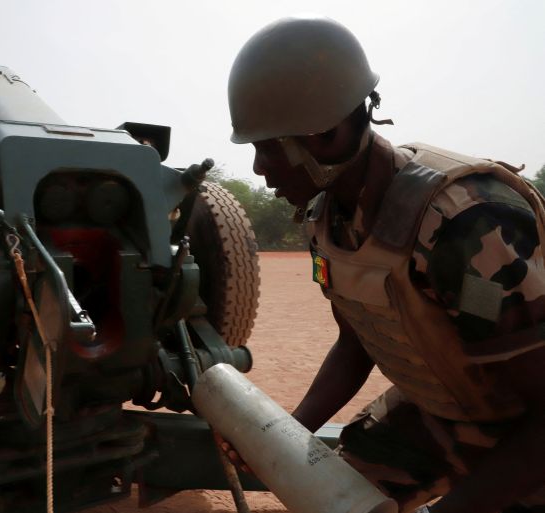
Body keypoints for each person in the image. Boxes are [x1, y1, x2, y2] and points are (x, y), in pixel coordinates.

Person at [226, 15, 545, 513]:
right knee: (335, 499)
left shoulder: (466, 223)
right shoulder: (326, 217)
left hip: (526, 428)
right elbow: (355, 342)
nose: (259, 168)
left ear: (326, 135)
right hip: (444, 406)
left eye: (269, 148)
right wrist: (286, 434)